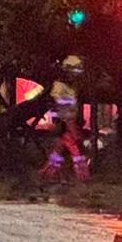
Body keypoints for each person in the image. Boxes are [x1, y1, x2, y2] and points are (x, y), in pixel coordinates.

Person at [41, 55, 88, 183]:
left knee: (59, 151)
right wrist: (69, 125)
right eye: (74, 72)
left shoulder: (71, 86)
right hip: (63, 123)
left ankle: (47, 175)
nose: (76, 75)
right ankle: (82, 176)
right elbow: (61, 107)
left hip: (68, 122)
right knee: (75, 150)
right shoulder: (59, 86)